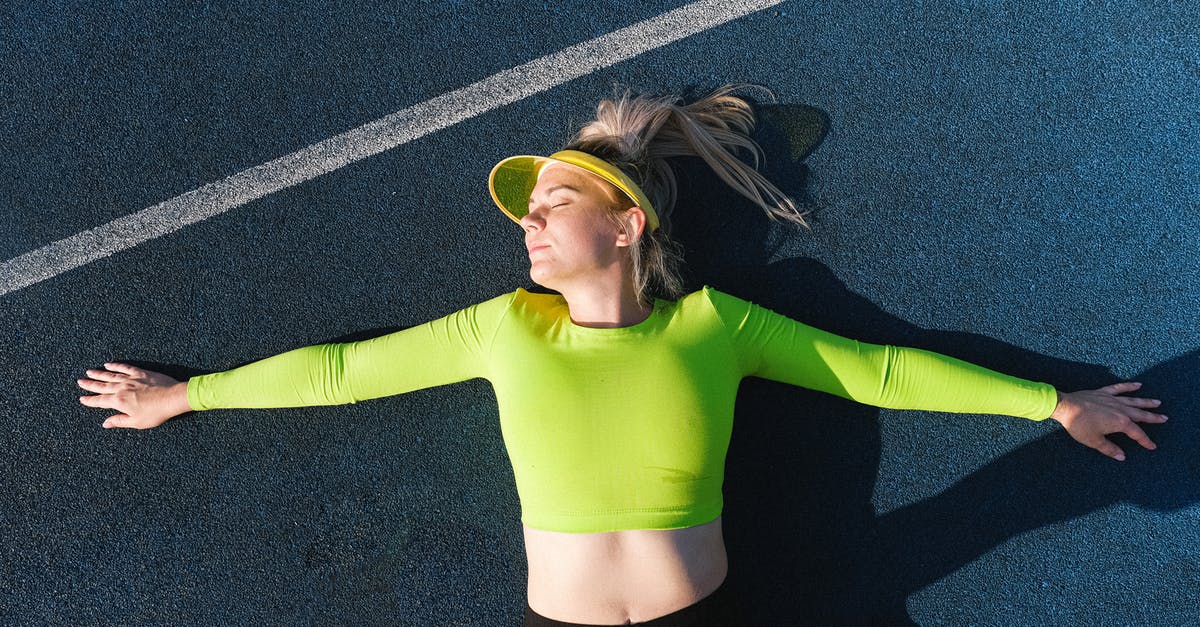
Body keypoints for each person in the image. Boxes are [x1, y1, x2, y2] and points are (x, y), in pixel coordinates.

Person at [77, 84, 1167, 626]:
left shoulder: (716, 329)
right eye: (530, 212)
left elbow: (882, 371)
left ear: (630, 224)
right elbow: (344, 371)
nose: (529, 225)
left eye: (554, 203)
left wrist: (1053, 405)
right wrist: (189, 397)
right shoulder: (504, 329)